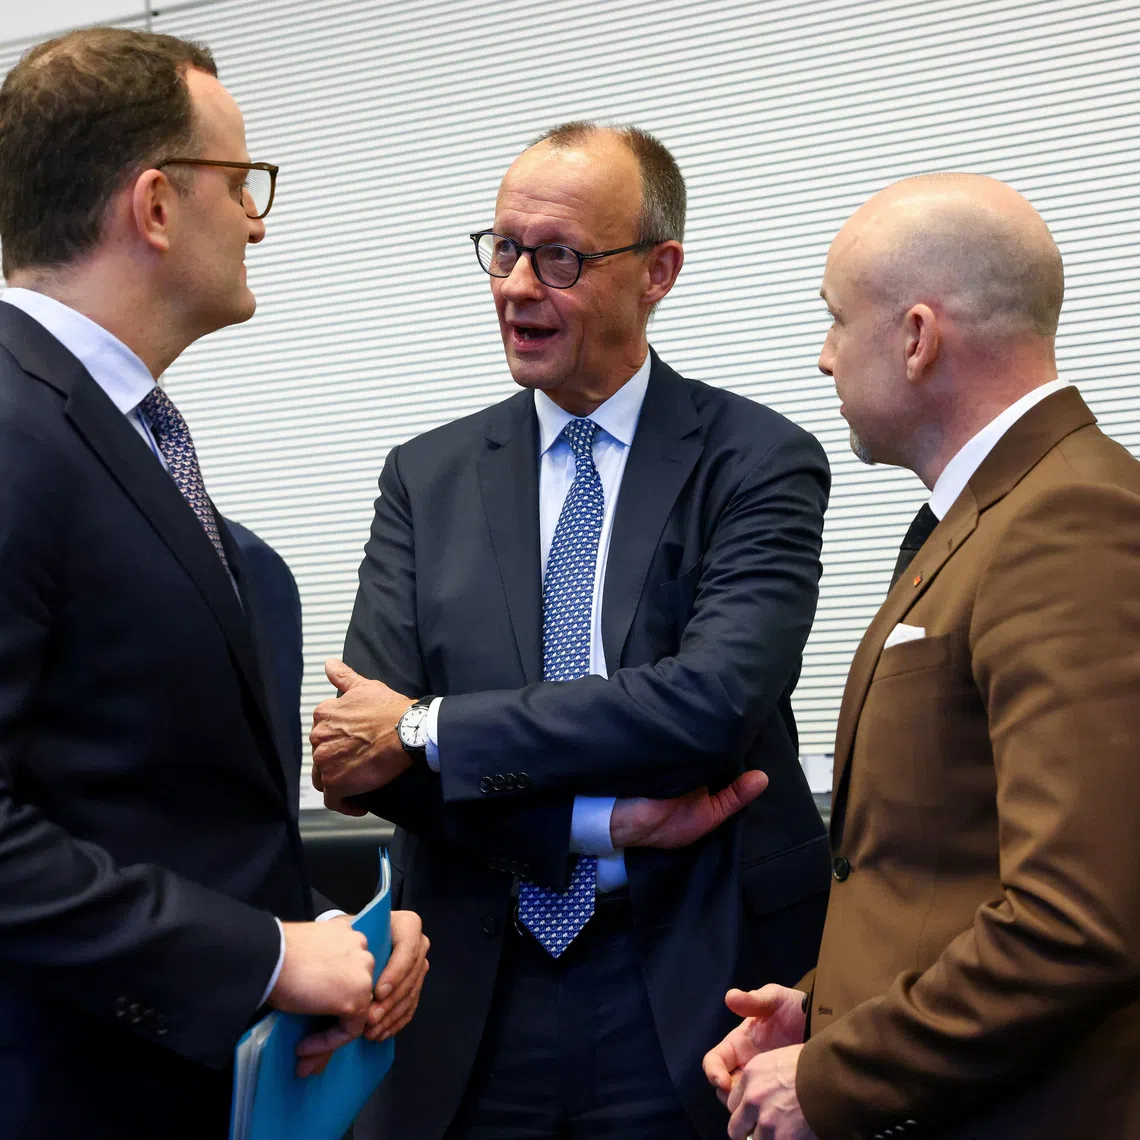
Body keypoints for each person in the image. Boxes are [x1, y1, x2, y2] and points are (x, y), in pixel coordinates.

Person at [309, 121, 833, 1140]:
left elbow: (708, 709)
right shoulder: (425, 477)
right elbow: (357, 760)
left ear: (658, 271)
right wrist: (591, 823)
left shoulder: (757, 461)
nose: (515, 285)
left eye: (560, 258)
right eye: (503, 249)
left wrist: (433, 727)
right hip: (466, 992)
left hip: (700, 992)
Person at [0, 28, 427, 1139]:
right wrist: (269, 957)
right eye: (241, 184)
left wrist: (342, 946)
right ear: (153, 206)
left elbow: (162, 812)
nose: (258, 218)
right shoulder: (11, 427)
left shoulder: (111, 434)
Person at [703, 174, 1140, 1140]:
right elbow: (941, 867)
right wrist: (823, 1010)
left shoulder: (1066, 520)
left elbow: (1078, 923)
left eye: (834, 321)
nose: (822, 360)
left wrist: (838, 1077)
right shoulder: (994, 514)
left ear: (915, 336)